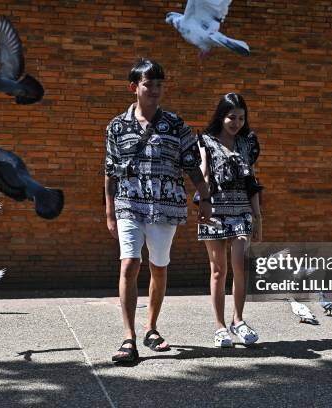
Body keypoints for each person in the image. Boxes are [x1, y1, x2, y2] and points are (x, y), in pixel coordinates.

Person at [104, 59, 212, 363]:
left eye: (159, 84)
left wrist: (204, 198)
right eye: (148, 84)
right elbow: (110, 171)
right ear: (134, 87)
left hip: (165, 205)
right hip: (129, 203)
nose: (154, 89)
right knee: (129, 264)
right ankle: (129, 338)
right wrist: (110, 212)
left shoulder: (176, 125)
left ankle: (151, 327)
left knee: (159, 267)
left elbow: (192, 165)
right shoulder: (116, 126)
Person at [196, 93, 263, 347]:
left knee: (240, 264)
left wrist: (257, 216)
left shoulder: (247, 144)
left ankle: (239, 321)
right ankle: (220, 327)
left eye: (241, 118)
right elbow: (202, 173)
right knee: (218, 270)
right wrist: (202, 203)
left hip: (242, 209)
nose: (236, 122)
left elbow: (252, 181)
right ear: (221, 116)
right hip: (215, 208)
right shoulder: (206, 141)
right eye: (231, 117)